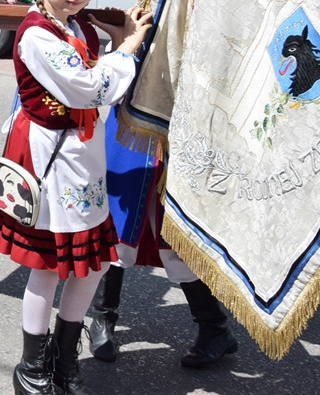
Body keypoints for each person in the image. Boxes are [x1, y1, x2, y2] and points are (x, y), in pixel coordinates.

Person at [0, 0, 152, 395]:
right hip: (49, 155)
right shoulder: (38, 33)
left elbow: (94, 77)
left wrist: (116, 43)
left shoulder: (75, 27)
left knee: (93, 262)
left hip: (82, 155)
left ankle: (65, 360)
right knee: (47, 265)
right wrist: (127, 49)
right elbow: (88, 89)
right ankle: (32, 366)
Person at [87, 105, 238, 368]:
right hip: (131, 121)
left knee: (180, 239)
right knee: (115, 228)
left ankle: (215, 328)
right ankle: (102, 317)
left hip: (182, 126)